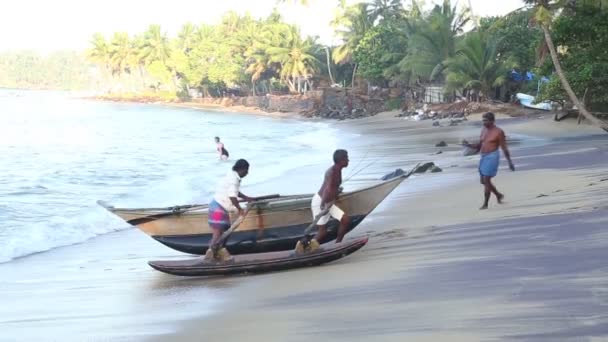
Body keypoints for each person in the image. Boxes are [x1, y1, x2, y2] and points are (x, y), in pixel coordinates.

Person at [463, 112, 515, 210]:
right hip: (483, 156)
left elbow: (504, 148)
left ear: (492, 121)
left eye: (486, 120)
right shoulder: (483, 130)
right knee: (483, 181)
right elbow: (479, 145)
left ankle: (485, 204)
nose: (484, 122)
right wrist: (468, 145)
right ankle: (498, 195)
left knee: (486, 179)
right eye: (483, 120)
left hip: (493, 156)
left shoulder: (499, 132)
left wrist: (510, 162)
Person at [207, 159, 255, 259]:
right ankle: (210, 256)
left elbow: (235, 191)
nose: (247, 173)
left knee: (225, 231)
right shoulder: (234, 179)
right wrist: (240, 209)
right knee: (217, 234)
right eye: (246, 170)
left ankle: (219, 252)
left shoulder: (232, 174)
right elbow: (232, 196)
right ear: (241, 169)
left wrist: (246, 198)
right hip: (218, 209)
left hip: (217, 206)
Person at [309, 149, 351, 246]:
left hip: (328, 202)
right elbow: (327, 190)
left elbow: (332, 188)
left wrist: (337, 192)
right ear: (341, 161)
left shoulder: (336, 169)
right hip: (321, 202)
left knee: (345, 220)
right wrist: (323, 204)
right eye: (347, 159)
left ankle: (338, 244)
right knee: (322, 232)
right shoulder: (334, 172)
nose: (348, 161)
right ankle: (307, 249)